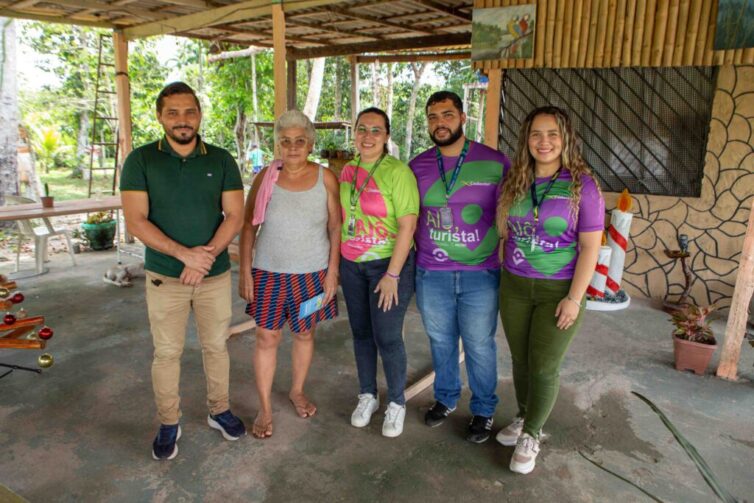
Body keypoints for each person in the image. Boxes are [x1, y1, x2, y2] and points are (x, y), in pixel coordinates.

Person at [120, 82, 246, 461]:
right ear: (160, 116)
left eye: (189, 111)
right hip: (164, 277)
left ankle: (219, 409)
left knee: (215, 346)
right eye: (172, 112)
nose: (182, 120)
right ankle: (168, 421)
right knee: (167, 352)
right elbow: (135, 221)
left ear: (199, 114)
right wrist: (183, 256)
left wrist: (203, 258)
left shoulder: (221, 159)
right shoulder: (141, 160)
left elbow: (235, 216)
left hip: (214, 275)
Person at [495, 106, 603, 474]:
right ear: (526, 139)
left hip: (559, 289)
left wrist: (574, 298)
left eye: (552, 134)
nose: (544, 142)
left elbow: (590, 247)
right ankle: (525, 416)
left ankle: (533, 434)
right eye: (536, 134)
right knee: (521, 360)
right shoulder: (515, 181)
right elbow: (504, 232)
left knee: (544, 365)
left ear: (565, 138)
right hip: (514, 285)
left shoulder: (582, 185)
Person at [410, 91, 509, 444]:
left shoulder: (495, 162)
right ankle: (447, 397)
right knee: (440, 340)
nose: (440, 122)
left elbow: (513, 211)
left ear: (463, 118)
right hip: (431, 272)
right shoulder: (418, 166)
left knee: (480, 344)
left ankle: (483, 410)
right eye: (434, 116)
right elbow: (407, 217)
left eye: (447, 115)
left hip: (480, 273)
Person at [239, 110, 341, 439]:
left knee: (304, 334)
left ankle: (297, 390)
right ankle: (265, 407)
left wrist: (332, 273)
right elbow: (248, 225)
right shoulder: (266, 177)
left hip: (311, 274)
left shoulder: (325, 178)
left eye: (300, 141)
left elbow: (335, 226)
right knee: (267, 337)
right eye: (286, 141)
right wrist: (244, 271)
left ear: (310, 144)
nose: (293, 146)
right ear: (278, 145)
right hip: (268, 273)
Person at [340, 107, 419, 438]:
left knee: (387, 334)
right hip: (351, 265)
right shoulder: (347, 170)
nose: (368, 136)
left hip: (388, 265)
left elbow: (407, 225)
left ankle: (397, 402)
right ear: (354, 134)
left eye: (376, 130)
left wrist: (393, 274)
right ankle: (368, 395)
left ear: (387, 136)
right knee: (361, 333)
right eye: (362, 129)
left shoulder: (397, 172)